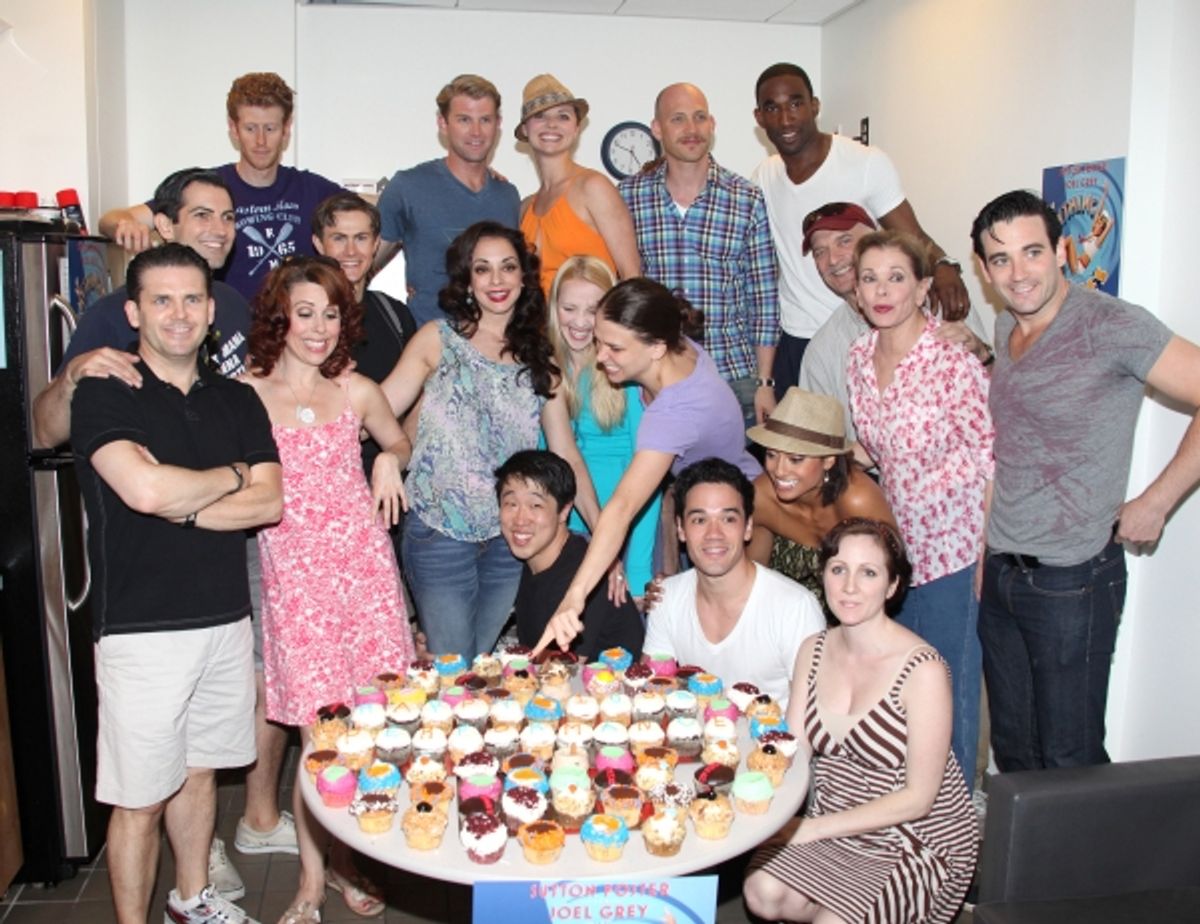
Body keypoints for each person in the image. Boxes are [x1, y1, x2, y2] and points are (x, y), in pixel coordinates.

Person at [32, 167, 295, 900]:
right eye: (161, 302)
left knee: (201, 772)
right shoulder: (105, 387)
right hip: (141, 627)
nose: (178, 314)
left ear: (212, 312)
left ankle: (192, 902)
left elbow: (269, 503)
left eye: (191, 300)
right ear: (135, 313)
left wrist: (182, 492)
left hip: (223, 621)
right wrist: (226, 479)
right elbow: (141, 489)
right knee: (139, 798)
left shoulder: (236, 398)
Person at [971, 189, 1200, 771]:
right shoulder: (1004, 330)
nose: (1019, 273)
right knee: (1016, 750)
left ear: (1063, 251)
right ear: (984, 269)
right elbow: (1011, 446)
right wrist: (983, 556)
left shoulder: (1111, 325)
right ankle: (1029, 867)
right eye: (1001, 260)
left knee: (1070, 757)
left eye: (1032, 253)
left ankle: (1093, 867)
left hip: (1072, 581)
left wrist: (1158, 500)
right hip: (1002, 572)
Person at [246, 256, 415, 922]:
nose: (318, 329)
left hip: (367, 581)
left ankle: (352, 861)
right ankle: (312, 883)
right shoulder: (247, 394)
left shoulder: (357, 391)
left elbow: (398, 440)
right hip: (296, 587)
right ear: (278, 318)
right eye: (305, 313)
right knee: (319, 740)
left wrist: (389, 464)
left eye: (332, 313)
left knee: (371, 730)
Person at [380, 221, 600, 657]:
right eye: (483, 269)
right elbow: (375, 407)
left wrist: (605, 541)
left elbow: (566, 455)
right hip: (439, 534)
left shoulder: (540, 356)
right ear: (467, 279)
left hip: (509, 540)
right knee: (452, 664)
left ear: (524, 276)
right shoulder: (437, 340)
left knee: (480, 664)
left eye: (508, 267)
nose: (496, 281)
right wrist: (389, 455)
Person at [743, 518, 978, 924]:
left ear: (891, 586)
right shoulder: (813, 650)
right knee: (760, 890)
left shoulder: (923, 670)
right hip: (836, 813)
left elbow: (918, 799)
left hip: (913, 833)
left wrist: (810, 829)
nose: (849, 586)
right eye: (839, 570)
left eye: (868, 572)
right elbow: (793, 750)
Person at [529, 278, 762, 658]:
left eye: (615, 348)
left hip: (733, 512)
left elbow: (621, 509)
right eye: (600, 342)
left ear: (656, 347)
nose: (601, 356)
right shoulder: (675, 346)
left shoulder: (674, 413)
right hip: (693, 494)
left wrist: (574, 598)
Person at [846, 230, 993, 787]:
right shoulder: (859, 356)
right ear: (856, 292)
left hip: (954, 550)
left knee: (950, 686)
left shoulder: (952, 359)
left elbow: (991, 457)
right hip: (894, 551)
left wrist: (984, 553)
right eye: (870, 278)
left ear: (924, 286)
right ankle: (904, 804)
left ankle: (956, 815)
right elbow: (874, 448)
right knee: (899, 685)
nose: (882, 291)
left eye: (897, 277)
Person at [751, 63, 970, 398]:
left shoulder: (864, 163)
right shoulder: (763, 178)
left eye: (795, 104)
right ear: (759, 117)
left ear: (815, 106)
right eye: (773, 108)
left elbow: (912, 237)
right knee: (802, 447)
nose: (786, 119)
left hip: (860, 329)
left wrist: (943, 266)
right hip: (795, 338)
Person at [100, 72, 342, 300]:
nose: (260, 141)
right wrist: (125, 225)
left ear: (286, 129)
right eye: (250, 128)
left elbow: (369, 216)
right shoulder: (209, 190)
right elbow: (110, 219)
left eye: (270, 128)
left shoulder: (311, 189)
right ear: (233, 128)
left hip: (295, 335)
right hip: (227, 329)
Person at [619, 82, 779, 428]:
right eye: (678, 119)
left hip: (733, 378)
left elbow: (764, 300)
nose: (691, 129)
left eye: (699, 117)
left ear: (712, 125)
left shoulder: (746, 198)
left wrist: (764, 383)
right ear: (658, 129)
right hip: (656, 379)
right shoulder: (629, 197)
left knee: (735, 482)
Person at [798, 202, 992, 442]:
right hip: (865, 474)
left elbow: (997, 406)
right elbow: (817, 445)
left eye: (845, 241)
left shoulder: (943, 303)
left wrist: (984, 355)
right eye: (820, 252)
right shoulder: (823, 350)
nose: (833, 259)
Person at [640, 459, 824, 704]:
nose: (713, 534)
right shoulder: (666, 597)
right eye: (699, 520)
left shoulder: (795, 608)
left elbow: (813, 719)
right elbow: (651, 695)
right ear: (681, 530)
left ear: (748, 527)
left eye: (728, 519)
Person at [546, 256, 661, 597]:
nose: (580, 322)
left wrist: (638, 566)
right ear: (554, 308)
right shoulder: (543, 367)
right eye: (569, 308)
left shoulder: (627, 375)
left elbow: (648, 479)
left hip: (622, 533)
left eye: (592, 310)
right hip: (560, 536)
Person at [375, 74, 521, 327]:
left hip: (495, 352)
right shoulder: (408, 187)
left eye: (485, 120)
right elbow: (363, 262)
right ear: (443, 123)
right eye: (464, 120)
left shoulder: (507, 196)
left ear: (498, 124)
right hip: (429, 351)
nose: (476, 132)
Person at [746, 387, 894, 608]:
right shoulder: (761, 497)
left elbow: (886, 575)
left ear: (828, 461)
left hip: (854, 612)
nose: (779, 470)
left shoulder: (858, 500)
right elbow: (754, 580)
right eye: (771, 455)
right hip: (784, 612)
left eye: (795, 459)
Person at [497, 449, 644, 659]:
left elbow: (562, 673)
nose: (520, 519)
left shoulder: (585, 573)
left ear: (564, 511)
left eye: (535, 505)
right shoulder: (517, 562)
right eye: (511, 504)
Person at [516, 74, 641, 293]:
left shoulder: (594, 188)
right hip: (537, 327)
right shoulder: (525, 208)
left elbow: (632, 278)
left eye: (563, 116)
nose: (552, 124)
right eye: (540, 116)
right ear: (526, 129)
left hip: (592, 326)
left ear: (576, 128)